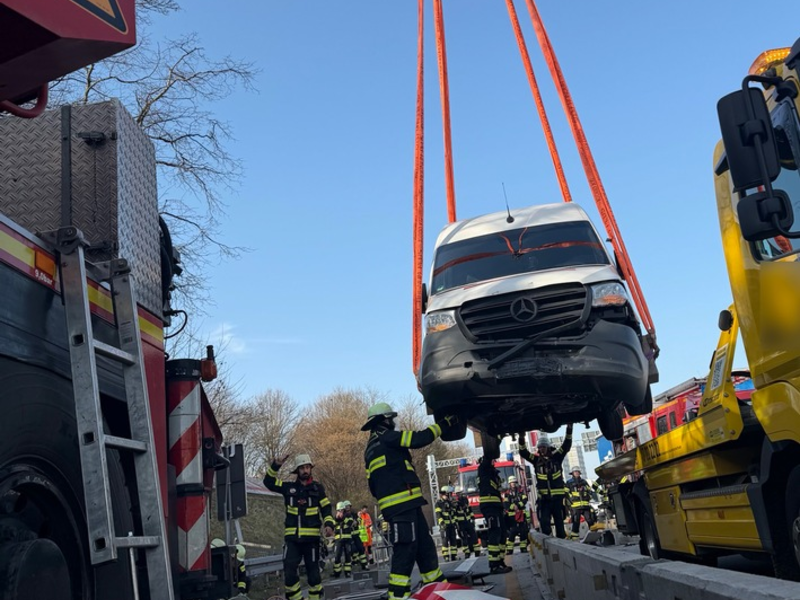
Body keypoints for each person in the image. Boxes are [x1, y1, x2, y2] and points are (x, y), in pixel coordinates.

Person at [362, 402, 456, 600]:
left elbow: (372, 485)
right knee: (405, 551)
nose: (393, 422)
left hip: (406, 504)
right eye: (391, 418)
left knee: (424, 547)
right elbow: (419, 438)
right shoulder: (387, 437)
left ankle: (436, 589)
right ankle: (398, 596)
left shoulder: (370, 449)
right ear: (384, 420)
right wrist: (443, 425)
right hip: (401, 505)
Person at [263, 453, 334, 600]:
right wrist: (276, 465)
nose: (305, 470)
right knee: (289, 573)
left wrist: (328, 524)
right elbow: (268, 482)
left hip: (312, 541)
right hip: (292, 540)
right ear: (297, 471)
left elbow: (326, 508)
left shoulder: (318, 488)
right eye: (302, 468)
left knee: (314, 576)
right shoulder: (288, 488)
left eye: (308, 467)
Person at [518, 425, 573, 539]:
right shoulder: (536, 460)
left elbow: (566, 445)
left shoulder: (557, 457)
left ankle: (561, 543)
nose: (541, 449)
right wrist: (521, 437)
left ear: (548, 447)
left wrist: (569, 429)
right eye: (540, 447)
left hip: (557, 499)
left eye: (543, 447)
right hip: (544, 499)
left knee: (559, 525)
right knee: (544, 522)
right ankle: (548, 542)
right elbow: (523, 453)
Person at [477, 443, 512, 574]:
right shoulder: (483, 470)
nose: (493, 462)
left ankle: (500, 561)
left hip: (496, 506)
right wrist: (493, 442)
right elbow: (487, 459)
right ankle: (494, 565)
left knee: (503, 533)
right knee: (495, 533)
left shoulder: (492, 473)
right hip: (489, 506)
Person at [566, 468, 598, 539]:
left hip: (585, 505)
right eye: (575, 472)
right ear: (572, 473)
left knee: (590, 520)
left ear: (580, 473)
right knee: (576, 522)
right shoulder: (569, 482)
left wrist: (588, 496)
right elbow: (566, 493)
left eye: (578, 472)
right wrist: (571, 500)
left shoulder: (584, 481)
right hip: (575, 506)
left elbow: (590, 491)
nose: (577, 473)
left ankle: (594, 536)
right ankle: (575, 538)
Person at [504, 476, 529, 554]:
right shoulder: (507, 494)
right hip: (512, 516)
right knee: (512, 532)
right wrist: (513, 507)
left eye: (514, 482)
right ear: (509, 484)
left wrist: (518, 506)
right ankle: (510, 549)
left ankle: (523, 548)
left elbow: (525, 500)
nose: (513, 484)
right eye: (511, 483)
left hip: (521, 515)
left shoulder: (521, 491)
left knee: (523, 532)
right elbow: (506, 504)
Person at [453, 486, 478, 558]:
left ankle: (477, 551)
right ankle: (467, 553)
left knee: (474, 535)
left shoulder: (465, 499)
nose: (460, 495)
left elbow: (469, 509)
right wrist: (456, 523)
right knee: (464, 538)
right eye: (458, 493)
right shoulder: (455, 502)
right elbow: (454, 513)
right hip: (460, 523)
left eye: (461, 493)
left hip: (467, 521)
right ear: (456, 494)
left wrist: (472, 517)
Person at [332, 501, 354, 578]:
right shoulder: (335, 517)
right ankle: (337, 572)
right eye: (338, 510)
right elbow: (333, 525)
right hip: (338, 539)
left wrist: (343, 518)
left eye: (341, 510)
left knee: (348, 555)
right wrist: (336, 518)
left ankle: (347, 572)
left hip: (347, 539)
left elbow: (350, 523)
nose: (340, 512)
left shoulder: (348, 515)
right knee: (337, 555)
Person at [435, 487, 457, 562]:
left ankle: (454, 556)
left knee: (453, 540)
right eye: (445, 495)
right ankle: (446, 557)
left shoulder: (449, 502)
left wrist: (455, 523)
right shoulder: (438, 503)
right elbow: (438, 515)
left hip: (451, 525)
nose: (447, 496)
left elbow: (453, 513)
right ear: (442, 495)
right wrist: (442, 522)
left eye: (447, 495)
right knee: (445, 541)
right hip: (444, 526)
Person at [344, 500, 368, 569]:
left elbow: (360, 520)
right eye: (346, 506)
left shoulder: (354, 514)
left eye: (348, 506)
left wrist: (357, 521)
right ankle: (354, 562)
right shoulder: (344, 516)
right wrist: (352, 523)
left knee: (361, 548)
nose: (347, 508)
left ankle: (364, 565)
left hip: (357, 535)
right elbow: (348, 523)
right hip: (349, 535)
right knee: (353, 550)